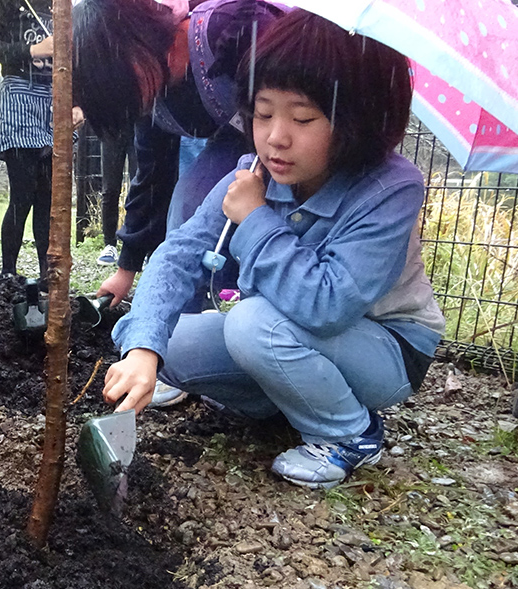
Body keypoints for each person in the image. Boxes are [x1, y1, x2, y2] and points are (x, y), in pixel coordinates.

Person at [102, 10, 446, 489]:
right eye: (263, 113)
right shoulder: (254, 171)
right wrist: (144, 348)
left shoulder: (391, 187)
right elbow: (178, 253)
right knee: (164, 340)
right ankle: (282, 397)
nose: (276, 137)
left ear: (356, 118)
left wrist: (256, 218)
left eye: (302, 117)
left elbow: (329, 306)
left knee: (250, 323)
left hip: (387, 347)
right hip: (289, 327)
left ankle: (350, 433)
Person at [73, 0, 285, 308]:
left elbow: (304, 102)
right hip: (239, 141)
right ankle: (187, 323)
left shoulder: (231, 28)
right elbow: (151, 179)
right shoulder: (152, 94)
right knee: (188, 208)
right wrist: (126, 269)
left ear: (137, 43)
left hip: (301, 136)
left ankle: (269, 305)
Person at [0, 0, 54, 287]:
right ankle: (8, 272)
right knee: (23, 194)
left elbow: (79, 59)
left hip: (55, 100)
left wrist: (79, 102)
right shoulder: (3, 2)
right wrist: (32, 51)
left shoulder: (64, 6)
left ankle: (49, 273)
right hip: (19, 95)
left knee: (48, 199)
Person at [95, 124, 136, 267]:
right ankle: (109, 245)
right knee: (110, 189)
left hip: (139, 123)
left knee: (140, 187)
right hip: (111, 125)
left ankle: (139, 245)